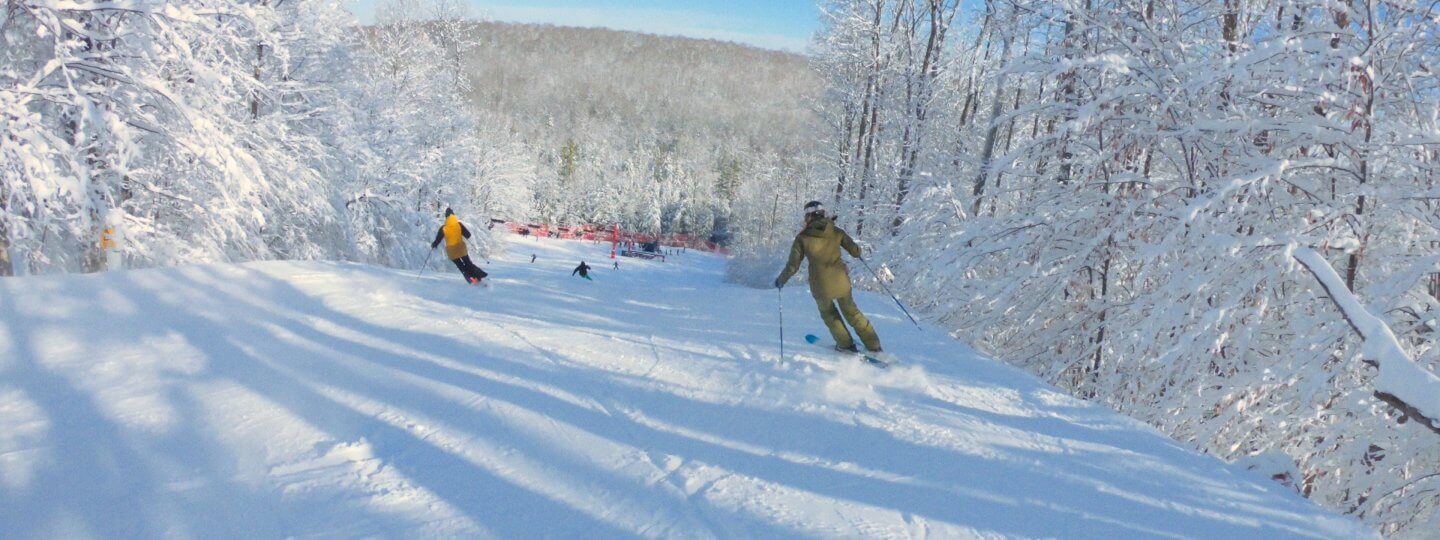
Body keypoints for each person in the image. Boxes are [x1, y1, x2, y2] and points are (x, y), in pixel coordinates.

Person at [774, 200, 881, 354]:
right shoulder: (836, 231)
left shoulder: (802, 238)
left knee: (829, 315)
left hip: (820, 285)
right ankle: (874, 345)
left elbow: (793, 266)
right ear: (823, 213)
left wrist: (781, 280)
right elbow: (856, 252)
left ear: (808, 216)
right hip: (841, 281)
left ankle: (845, 345)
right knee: (853, 313)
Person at [431, 208, 488, 285]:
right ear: (454, 215)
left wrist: (434, 245)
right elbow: (468, 235)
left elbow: (437, 240)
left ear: (446, 217)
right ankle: (480, 276)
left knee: (460, 266)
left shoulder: (443, 228)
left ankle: (470, 280)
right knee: (468, 263)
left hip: (451, 251)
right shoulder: (459, 225)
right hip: (461, 248)